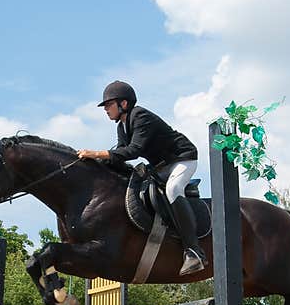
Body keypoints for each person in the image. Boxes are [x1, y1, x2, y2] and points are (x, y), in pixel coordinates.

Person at [77, 80, 207, 276]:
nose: (105, 109)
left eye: (109, 104)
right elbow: (119, 154)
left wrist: (96, 154)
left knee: (173, 189)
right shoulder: (122, 126)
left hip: (183, 159)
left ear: (124, 104)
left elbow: (133, 151)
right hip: (160, 167)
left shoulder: (140, 115)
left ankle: (194, 251)